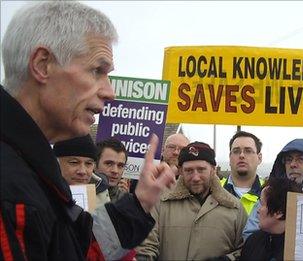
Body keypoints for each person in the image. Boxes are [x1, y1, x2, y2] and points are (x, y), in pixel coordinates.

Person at [0, 2, 175, 260]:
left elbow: (79, 248)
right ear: (42, 64)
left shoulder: (33, 172)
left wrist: (141, 202)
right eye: (97, 71)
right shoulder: (10, 191)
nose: (109, 92)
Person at [136, 142, 248, 260]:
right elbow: (145, 247)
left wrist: (228, 259)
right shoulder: (160, 202)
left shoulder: (234, 208)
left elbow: (247, 250)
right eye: (189, 170)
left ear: (213, 169)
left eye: (201, 170)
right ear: (180, 171)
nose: (195, 177)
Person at [243, 138, 303, 240]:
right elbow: (249, 234)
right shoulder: (270, 194)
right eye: (288, 160)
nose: (292, 164)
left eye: (300, 159)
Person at [241, 177, 301, 261]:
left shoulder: (300, 251)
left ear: (279, 212)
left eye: (262, 205)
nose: (258, 210)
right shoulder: (253, 241)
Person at [53, 134, 111, 208]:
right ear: (56, 163)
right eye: (74, 162)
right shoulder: (39, 192)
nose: (82, 171)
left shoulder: (101, 192)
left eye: (88, 163)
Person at [221, 131, 264, 215]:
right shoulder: (214, 190)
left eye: (248, 151)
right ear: (230, 157)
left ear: (259, 158)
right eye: (236, 151)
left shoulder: (270, 192)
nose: (241, 155)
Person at [96, 137, 129, 202]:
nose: (115, 171)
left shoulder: (125, 200)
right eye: (109, 164)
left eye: (120, 165)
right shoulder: (81, 193)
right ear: (94, 164)